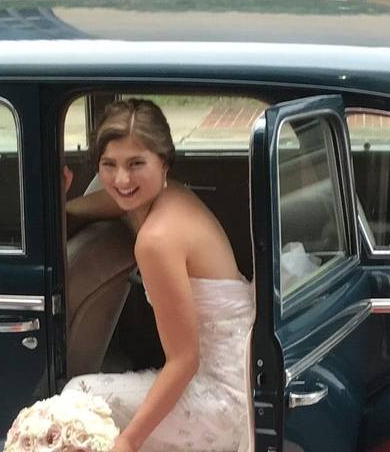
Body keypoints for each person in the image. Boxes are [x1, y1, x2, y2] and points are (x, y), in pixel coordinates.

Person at [63, 98, 255, 452]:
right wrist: (60, 205)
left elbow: (184, 361)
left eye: (136, 163)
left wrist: (128, 442)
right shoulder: (167, 193)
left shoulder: (156, 240)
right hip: (243, 371)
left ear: (163, 162)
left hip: (220, 397)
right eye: (109, 165)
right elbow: (107, 199)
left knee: (76, 399)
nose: (121, 179)